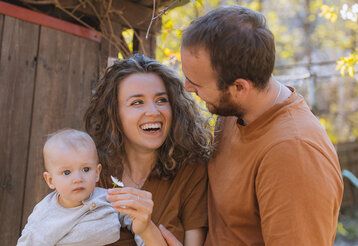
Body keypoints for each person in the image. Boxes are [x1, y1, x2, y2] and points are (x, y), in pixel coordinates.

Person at [160, 5, 344, 246]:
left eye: (197, 82)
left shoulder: (293, 154)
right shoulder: (234, 112)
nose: (187, 87)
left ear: (239, 87)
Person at [84, 54, 212, 245]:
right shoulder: (89, 169)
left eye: (161, 100)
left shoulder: (191, 170)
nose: (153, 111)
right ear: (114, 113)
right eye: (137, 102)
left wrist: (147, 228)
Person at [17, 129, 121, 246]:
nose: (78, 178)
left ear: (97, 173)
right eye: (66, 172)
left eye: (86, 169)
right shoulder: (44, 216)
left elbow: (132, 217)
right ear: (50, 180)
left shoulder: (107, 197)